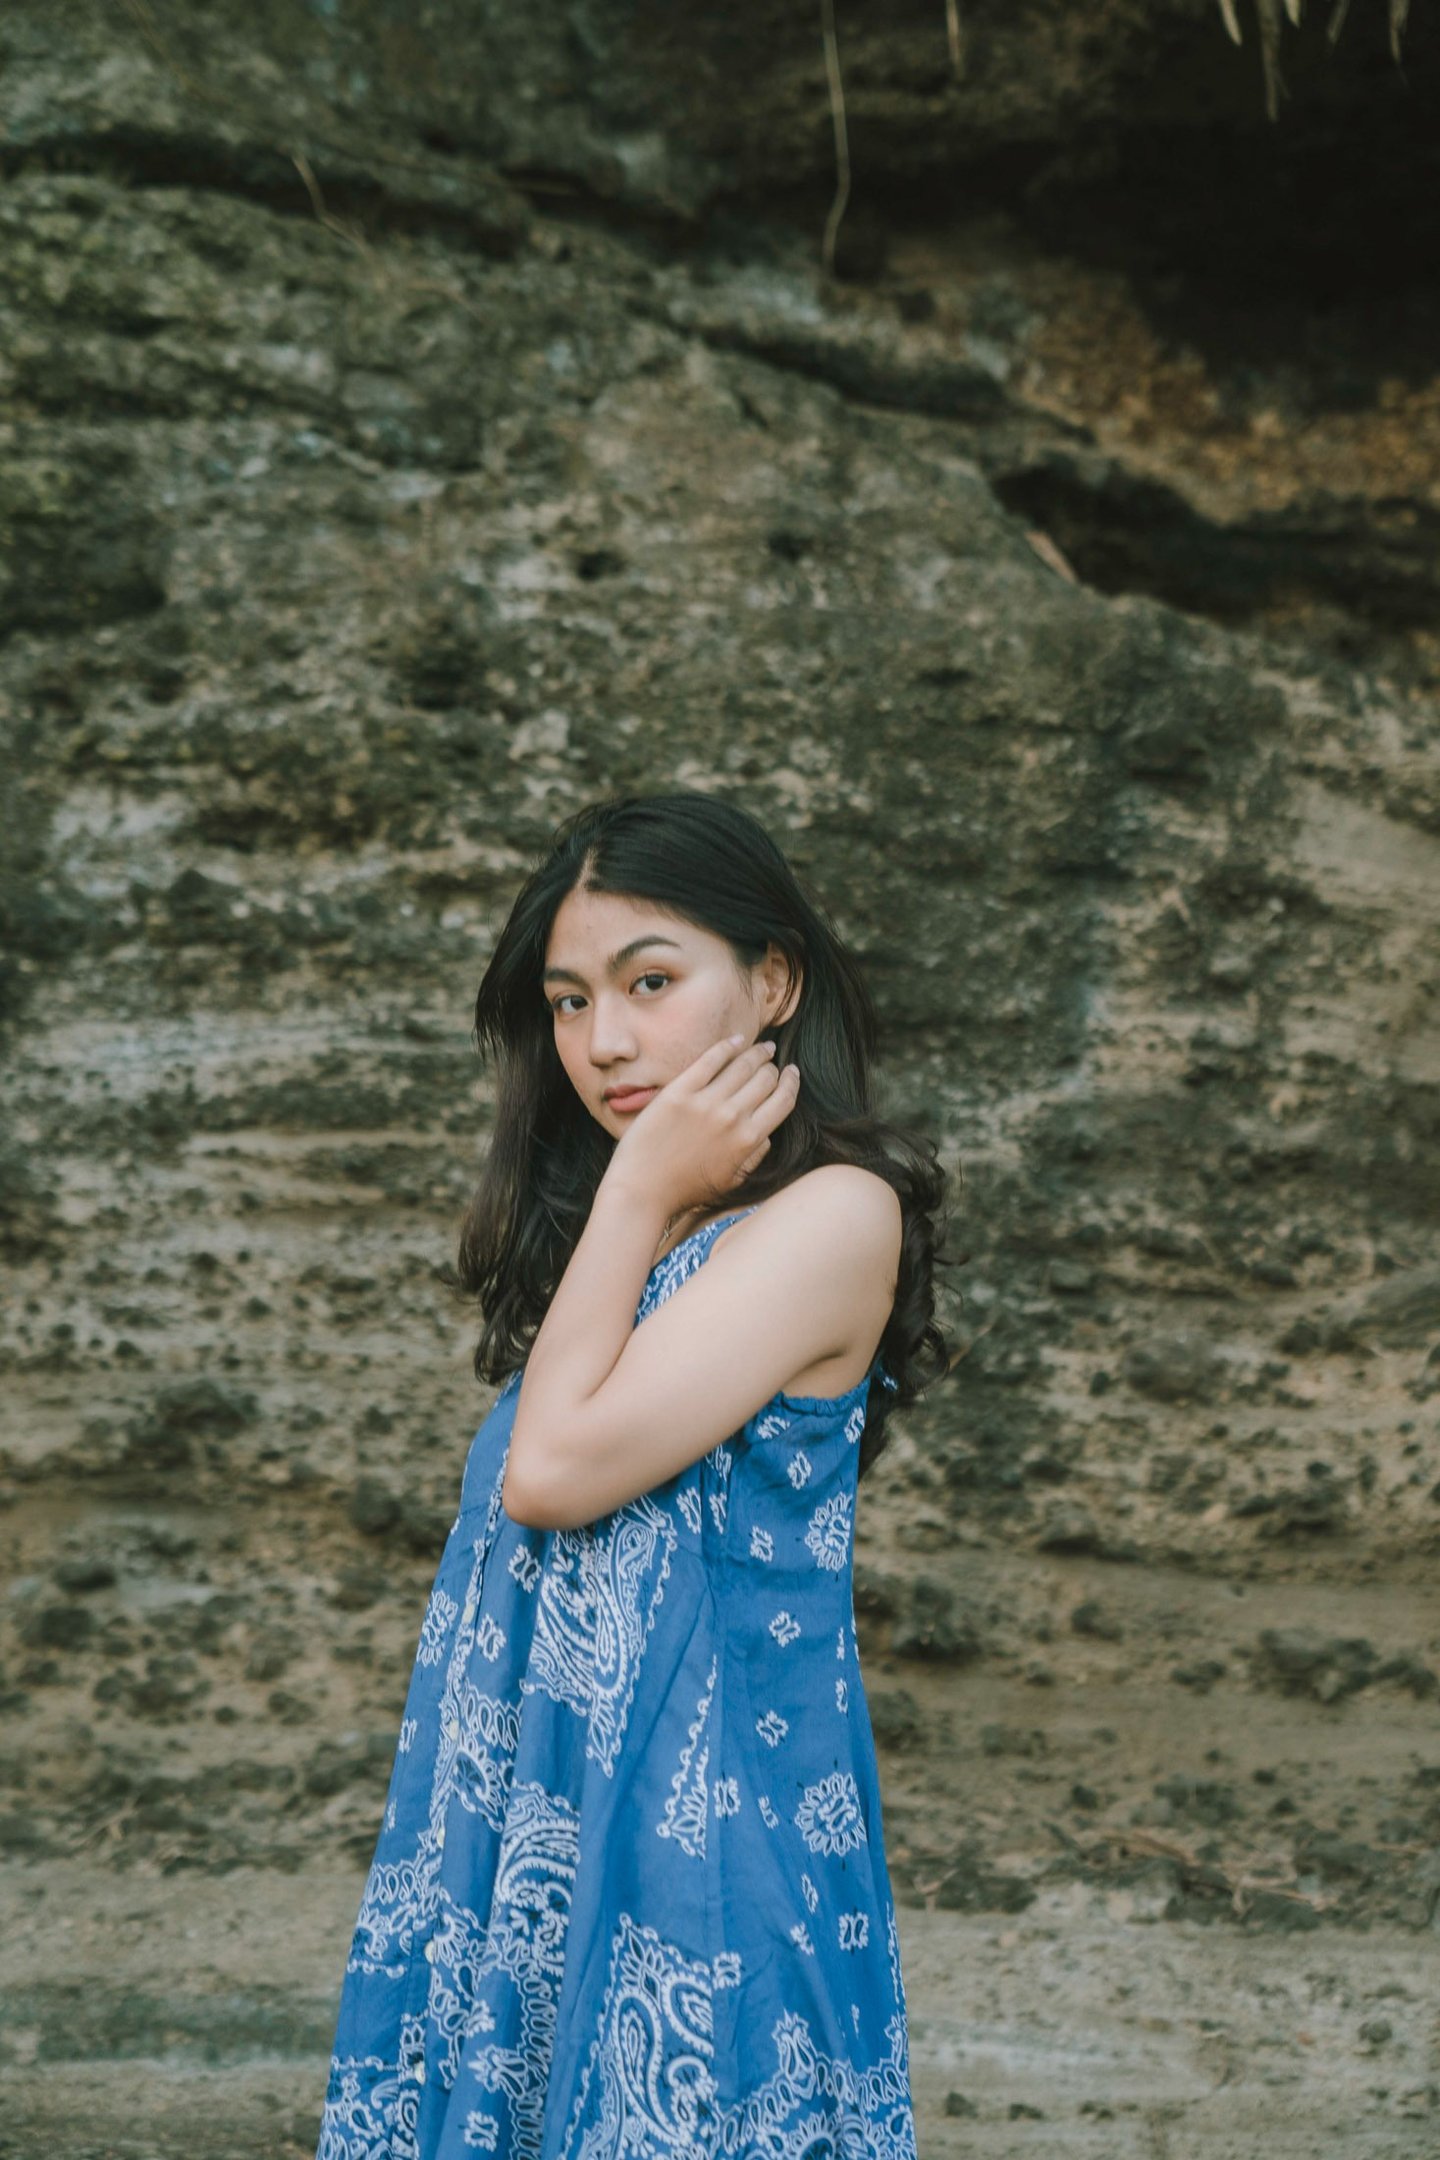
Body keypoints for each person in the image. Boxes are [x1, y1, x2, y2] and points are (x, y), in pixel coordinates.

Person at [315, 790, 956, 2160]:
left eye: (650, 982)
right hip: (534, 1854)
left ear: (772, 982)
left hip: (701, 1880)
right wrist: (643, 1200)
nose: (603, 1042)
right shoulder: (657, 1236)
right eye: (565, 1001)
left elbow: (550, 1473)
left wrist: (635, 1190)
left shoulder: (832, 1217)